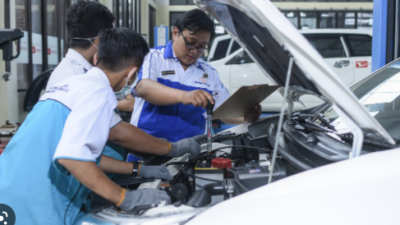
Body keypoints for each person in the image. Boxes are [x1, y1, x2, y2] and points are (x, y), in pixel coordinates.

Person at [0, 28, 172, 225]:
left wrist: (138, 169)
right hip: (39, 206)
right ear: (132, 73)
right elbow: (72, 158)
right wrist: (126, 198)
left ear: (96, 57)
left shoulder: (70, 86)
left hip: (9, 191)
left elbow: (87, 156)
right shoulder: (99, 93)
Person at [45, 1, 200, 164]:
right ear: (99, 41)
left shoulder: (83, 72)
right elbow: (116, 132)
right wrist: (168, 148)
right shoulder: (75, 78)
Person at [130, 9, 261, 142]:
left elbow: (222, 112)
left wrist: (245, 117)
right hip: (145, 147)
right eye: (190, 43)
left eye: (201, 47)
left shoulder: (209, 72)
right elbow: (144, 88)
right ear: (175, 33)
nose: (194, 51)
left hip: (190, 152)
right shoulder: (153, 57)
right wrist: (184, 95)